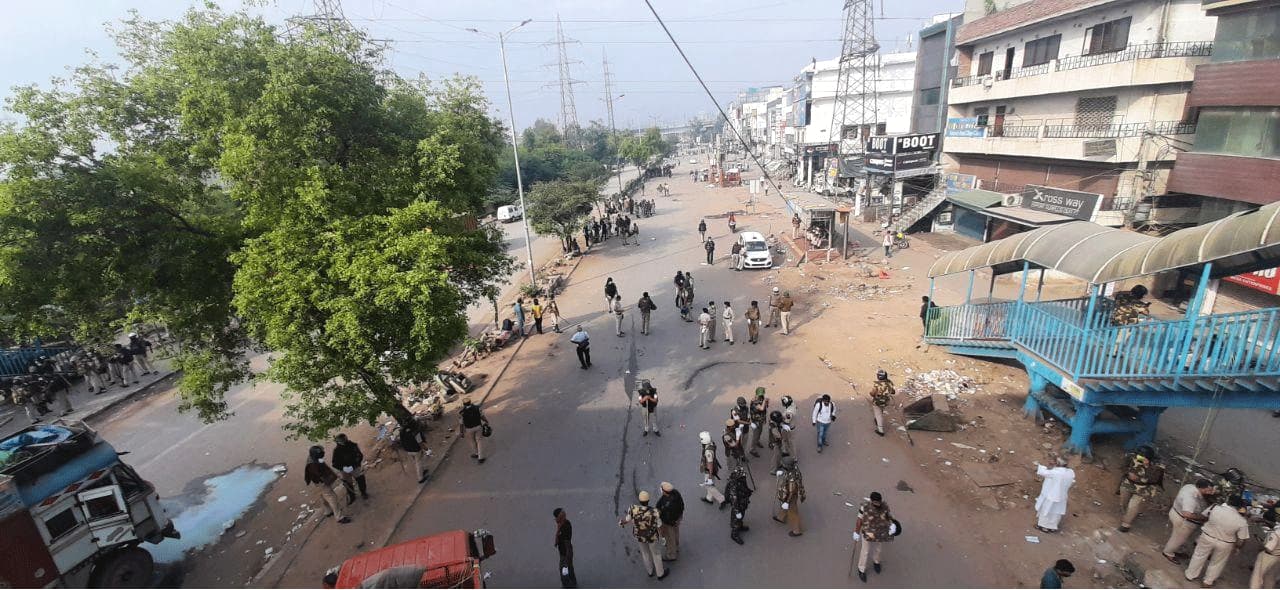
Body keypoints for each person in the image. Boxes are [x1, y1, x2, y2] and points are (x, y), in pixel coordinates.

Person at [1185, 496, 1250, 587]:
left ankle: (1190, 575)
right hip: (1225, 543)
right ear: (1240, 507)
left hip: (1207, 536)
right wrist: (1238, 548)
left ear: (1228, 501)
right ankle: (1207, 582)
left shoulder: (1214, 507)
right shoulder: (1242, 521)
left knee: (1198, 555)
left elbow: (1203, 516)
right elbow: (1241, 539)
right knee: (1217, 563)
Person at [1163, 479, 1215, 564]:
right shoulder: (1190, 498)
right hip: (1183, 520)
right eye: (1208, 490)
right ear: (1201, 488)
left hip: (1176, 511)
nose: (1210, 492)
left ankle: (1177, 550)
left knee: (1180, 538)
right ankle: (1168, 553)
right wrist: (1203, 518)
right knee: (1178, 539)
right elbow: (1187, 514)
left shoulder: (1190, 486)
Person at [619, 491, 668, 580]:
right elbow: (659, 526)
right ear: (648, 500)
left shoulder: (633, 509)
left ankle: (650, 571)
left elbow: (627, 519)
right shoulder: (655, 512)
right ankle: (660, 573)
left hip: (640, 536)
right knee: (656, 554)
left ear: (639, 500)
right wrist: (663, 537)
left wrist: (622, 522)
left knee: (645, 553)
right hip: (652, 537)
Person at [1118, 445, 1164, 532]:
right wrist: (1128, 474)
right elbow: (1122, 467)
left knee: (1134, 505)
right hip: (1129, 484)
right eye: (1139, 456)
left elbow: (1156, 479)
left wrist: (1147, 466)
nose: (1139, 458)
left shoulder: (1158, 466)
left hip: (1145, 488)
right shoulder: (1131, 456)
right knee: (1124, 501)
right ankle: (1128, 513)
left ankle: (1126, 524)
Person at [304, 446, 351, 524]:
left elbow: (325, 468)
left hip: (318, 482)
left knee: (323, 497)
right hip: (321, 482)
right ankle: (339, 517)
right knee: (333, 498)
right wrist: (334, 478)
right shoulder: (312, 465)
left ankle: (328, 511)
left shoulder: (313, 458)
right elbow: (322, 475)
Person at [854, 491, 894, 582]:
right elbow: (859, 520)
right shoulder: (864, 507)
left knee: (878, 549)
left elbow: (888, 517)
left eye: (879, 503)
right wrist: (856, 532)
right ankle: (861, 569)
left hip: (879, 533)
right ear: (871, 501)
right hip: (867, 532)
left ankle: (876, 562)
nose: (878, 505)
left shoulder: (884, 507)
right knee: (865, 551)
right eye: (875, 503)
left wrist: (892, 526)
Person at [1033, 457, 1075, 533]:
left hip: (1051, 495)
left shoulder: (1056, 473)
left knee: (1047, 510)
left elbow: (1043, 472)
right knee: (1056, 512)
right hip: (1062, 496)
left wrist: (1038, 465)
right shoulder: (1070, 472)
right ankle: (1052, 527)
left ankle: (1044, 527)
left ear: (1057, 463)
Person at [772, 456, 806, 537]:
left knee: (793, 512)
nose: (782, 465)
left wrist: (787, 501)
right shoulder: (794, 467)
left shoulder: (792, 478)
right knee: (785, 505)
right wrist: (783, 473)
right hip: (788, 492)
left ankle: (797, 531)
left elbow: (791, 491)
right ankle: (781, 517)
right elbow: (788, 472)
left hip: (791, 495)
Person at [332, 433, 369, 503]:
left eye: (343, 440)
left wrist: (355, 465)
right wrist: (343, 468)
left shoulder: (353, 445)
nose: (343, 442)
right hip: (344, 470)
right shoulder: (336, 451)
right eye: (341, 441)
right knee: (348, 484)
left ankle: (363, 493)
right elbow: (334, 463)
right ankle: (352, 497)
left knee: (361, 479)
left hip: (355, 467)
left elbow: (360, 456)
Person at [1250, 508, 1280, 589]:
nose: (1276, 516)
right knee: (1270, 578)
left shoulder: (1276, 533)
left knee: (1257, 578)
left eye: (1277, 515)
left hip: (1269, 556)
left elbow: (1268, 548)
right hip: (1278, 558)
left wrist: (1261, 541)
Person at [656, 482, 685, 562]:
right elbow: (682, 505)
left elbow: (666, 516)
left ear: (665, 491)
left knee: (669, 537)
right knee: (676, 532)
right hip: (677, 518)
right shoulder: (675, 493)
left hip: (669, 523)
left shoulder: (667, 505)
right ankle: (676, 546)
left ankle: (671, 555)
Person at [726, 466, 753, 545]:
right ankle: (734, 534)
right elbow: (734, 500)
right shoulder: (733, 485)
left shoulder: (741, 480)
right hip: (737, 505)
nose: (744, 476)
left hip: (742, 503)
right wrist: (737, 511)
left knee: (742, 516)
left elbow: (744, 488)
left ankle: (740, 526)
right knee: (736, 519)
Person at [698, 431, 727, 506]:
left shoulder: (708, 451)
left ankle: (722, 499)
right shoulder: (711, 443)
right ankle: (709, 498)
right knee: (711, 485)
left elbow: (710, 464)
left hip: (710, 470)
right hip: (714, 467)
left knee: (709, 486)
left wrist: (710, 477)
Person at [399, 418, 431, 483]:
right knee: (418, 463)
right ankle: (420, 478)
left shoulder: (402, 431)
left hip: (408, 450)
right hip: (416, 450)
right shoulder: (415, 432)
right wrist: (427, 450)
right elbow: (420, 443)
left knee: (416, 461)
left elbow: (402, 441)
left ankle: (423, 470)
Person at [458, 398, 489, 464]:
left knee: (472, 441)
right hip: (478, 426)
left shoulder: (461, 413)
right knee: (479, 441)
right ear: (470, 402)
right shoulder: (477, 408)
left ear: (464, 404)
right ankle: (480, 458)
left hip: (469, 429)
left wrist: (461, 432)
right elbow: (482, 416)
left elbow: (461, 424)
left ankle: (476, 453)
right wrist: (486, 421)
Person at [553, 507, 577, 588]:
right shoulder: (562, 523)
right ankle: (573, 583)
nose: (565, 513)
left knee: (564, 571)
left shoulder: (565, 526)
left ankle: (568, 586)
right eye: (562, 512)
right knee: (569, 568)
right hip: (564, 552)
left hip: (566, 553)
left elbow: (567, 542)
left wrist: (567, 557)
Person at [869, 370, 895, 437]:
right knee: (881, 410)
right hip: (886, 401)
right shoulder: (890, 382)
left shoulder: (877, 384)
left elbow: (872, 393)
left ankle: (881, 431)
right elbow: (893, 392)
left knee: (878, 414)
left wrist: (872, 394)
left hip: (877, 401)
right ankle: (876, 419)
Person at [748, 387, 769, 456]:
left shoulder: (761, 397)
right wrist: (765, 401)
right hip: (756, 421)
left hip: (761, 420)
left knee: (760, 432)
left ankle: (757, 441)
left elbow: (766, 407)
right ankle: (752, 449)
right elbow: (762, 408)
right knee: (755, 435)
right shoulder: (755, 401)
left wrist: (767, 402)